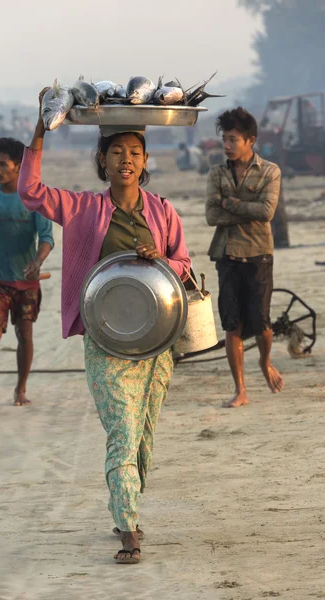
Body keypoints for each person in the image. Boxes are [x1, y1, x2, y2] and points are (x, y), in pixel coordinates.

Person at [17, 88, 192, 564]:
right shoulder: (82, 209)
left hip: (156, 347)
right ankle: (129, 529)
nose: (126, 160)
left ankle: (126, 508)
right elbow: (30, 192)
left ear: (145, 159)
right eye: (117, 152)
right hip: (105, 343)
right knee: (121, 429)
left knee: (144, 436)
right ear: (102, 159)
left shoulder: (162, 212)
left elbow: (184, 262)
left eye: (135, 152)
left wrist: (164, 262)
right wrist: (40, 128)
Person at [205, 107, 284, 409]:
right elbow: (212, 216)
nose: (226, 145)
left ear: (250, 140)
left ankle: (265, 363)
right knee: (231, 324)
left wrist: (229, 202)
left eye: (233, 139)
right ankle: (240, 388)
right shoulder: (217, 172)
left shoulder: (270, 171)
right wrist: (242, 207)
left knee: (262, 322)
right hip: (226, 255)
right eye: (224, 138)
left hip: (258, 254)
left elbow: (267, 212)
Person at [0, 137, 54, 412]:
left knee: (24, 334)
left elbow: (47, 237)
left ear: (18, 166)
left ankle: (21, 389)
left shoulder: (32, 197)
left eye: (2, 164)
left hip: (26, 282)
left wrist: (38, 261)